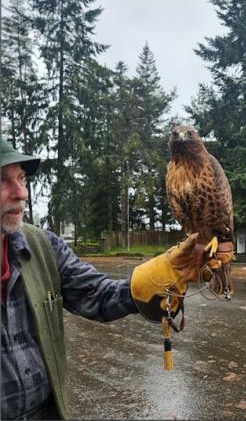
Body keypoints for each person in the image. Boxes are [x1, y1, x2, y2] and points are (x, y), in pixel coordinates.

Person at [1, 138, 204, 420]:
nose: (21, 192)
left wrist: (163, 272)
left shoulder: (43, 247)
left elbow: (98, 294)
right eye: (3, 181)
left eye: (22, 178)